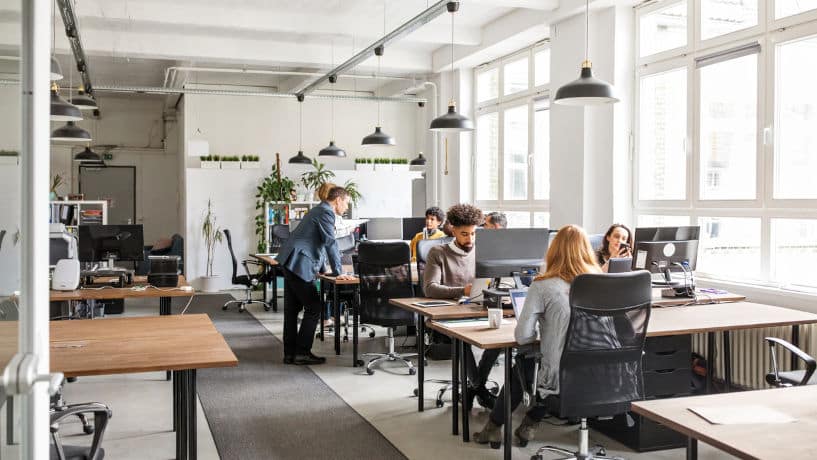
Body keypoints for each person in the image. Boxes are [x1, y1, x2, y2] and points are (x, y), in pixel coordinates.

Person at [473, 224, 602, 447]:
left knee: (525, 363)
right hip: (602, 372)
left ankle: (494, 428)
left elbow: (523, 337)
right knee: (542, 364)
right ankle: (529, 425)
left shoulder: (543, 285)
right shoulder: (604, 283)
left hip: (559, 376)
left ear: (553, 251)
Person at [423, 204, 501, 409]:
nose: (470, 239)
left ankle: (475, 387)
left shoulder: (482, 251)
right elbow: (430, 288)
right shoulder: (438, 252)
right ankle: (480, 388)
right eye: (464, 234)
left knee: (501, 337)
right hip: (447, 315)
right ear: (453, 230)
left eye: (473, 234)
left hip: (478, 308)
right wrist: (462, 291)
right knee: (462, 341)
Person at [276, 186, 354, 365]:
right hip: (299, 263)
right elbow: (330, 242)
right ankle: (302, 353)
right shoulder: (326, 213)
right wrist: (338, 272)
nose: (346, 208)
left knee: (292, 310)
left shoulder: (318, 210)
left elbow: (313, 242)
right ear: (338, 200)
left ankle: (290, 354)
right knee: (314, 308)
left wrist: (321, 268)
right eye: (346, 203)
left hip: (291, 262)